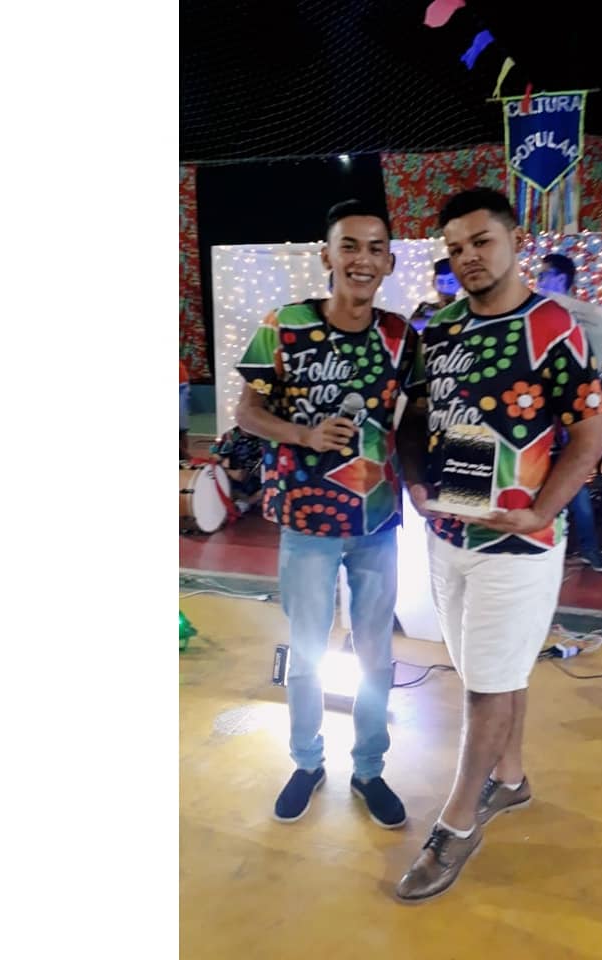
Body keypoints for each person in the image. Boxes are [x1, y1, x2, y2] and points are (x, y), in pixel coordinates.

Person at [395, 188, 602, 903]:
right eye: (455, 248)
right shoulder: (442, 328)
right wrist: (417, 480)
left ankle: (456, 825)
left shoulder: (553, 326)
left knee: (486, 686)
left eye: (480, 241)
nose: (469, 257)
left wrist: (542, 510)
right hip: (449, 531)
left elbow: (590, 434)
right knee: (488, 670)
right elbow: (418, 415)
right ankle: (509, 780)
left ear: (515, 240)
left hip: (519, 543)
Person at [234, 198, 418, 830]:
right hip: (305, 520)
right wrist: (304, 435)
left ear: (389, 262)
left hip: (376, 522)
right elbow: (246, 413)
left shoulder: (401, 336)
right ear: (327, 256)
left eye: (375, 248)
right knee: (309, 651)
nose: (362, 259)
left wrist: (427, 486)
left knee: (375, 655)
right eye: (349, 245)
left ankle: (369, 768)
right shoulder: (283, 324)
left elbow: (416, 420)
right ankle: (307, 761)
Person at [535, 253, 602, 573]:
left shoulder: (583, 318)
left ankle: (589, 548)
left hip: (568, 417)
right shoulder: (534, 312)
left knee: (573, 481)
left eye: (544, 274)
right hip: (534, 413)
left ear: (560, 278)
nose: (539, 280)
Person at [408, 257, 461, 329]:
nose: (445, 287)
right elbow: (411, 325)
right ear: (434, 282)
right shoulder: (425, 308)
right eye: (441, 282)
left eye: (451, 282)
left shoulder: (463, 308)